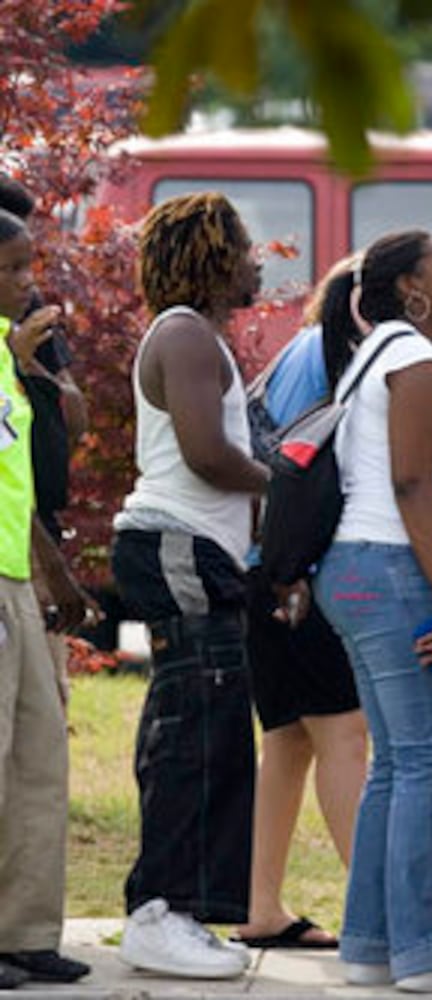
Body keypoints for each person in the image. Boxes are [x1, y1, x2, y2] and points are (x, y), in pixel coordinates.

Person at [110, 192, 267, 980]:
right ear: (212, 255)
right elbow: (208, 455)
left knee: (205, 727)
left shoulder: (196, 337)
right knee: (194, 731)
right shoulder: (185, 336)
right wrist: (279, 479)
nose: (256, 260)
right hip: (178, 544)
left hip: (195, 550)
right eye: (242, 246)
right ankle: (157, 912)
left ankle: (180, 909)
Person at [311, 230, 432, 992]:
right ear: (411, 287)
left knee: (397, 764)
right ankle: (425, 948)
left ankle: (372, 945)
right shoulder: (412, 356)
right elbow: (414, 485)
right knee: (426, 759)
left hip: (350, 569)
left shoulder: (371, 352)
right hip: (390, 568)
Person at [233, 258, 370, 951]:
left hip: (274, 570)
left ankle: (261, 908)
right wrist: (295, 572)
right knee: (344, 734)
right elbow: (291, 468)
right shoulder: (324, 353)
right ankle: (378, 914)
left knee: (290, 741)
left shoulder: (314, 348)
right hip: (293, 575)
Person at [0, 206, 94, 989]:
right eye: (14, 269)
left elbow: (20, 478)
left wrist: (53, 571)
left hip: (17, 577)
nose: (29, 282)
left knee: (39, 754)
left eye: (31, 266)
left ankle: (24, 931)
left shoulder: (12, 356)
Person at [0, 178, 88, 714]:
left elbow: (73, 417)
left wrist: (26, 365)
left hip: (34, 539)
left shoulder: (32, 316)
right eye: (10, 262)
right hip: (22, 552)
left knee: (44, 712)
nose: (25, 279)